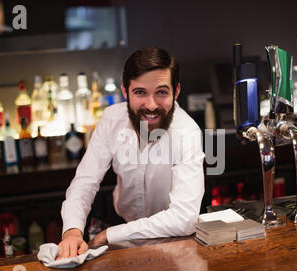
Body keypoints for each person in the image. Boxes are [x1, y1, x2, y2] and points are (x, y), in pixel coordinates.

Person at [57, 47, 205, 259]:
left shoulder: (187, 133)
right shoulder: (111, 119)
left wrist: (109, 235)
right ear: (125, 92)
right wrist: (72, 231)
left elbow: (184, 219)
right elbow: (85, 181)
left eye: (162, 92)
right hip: (121, 233)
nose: (151, 105)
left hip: (174, 242)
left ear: (176, 91)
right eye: (140, 92)